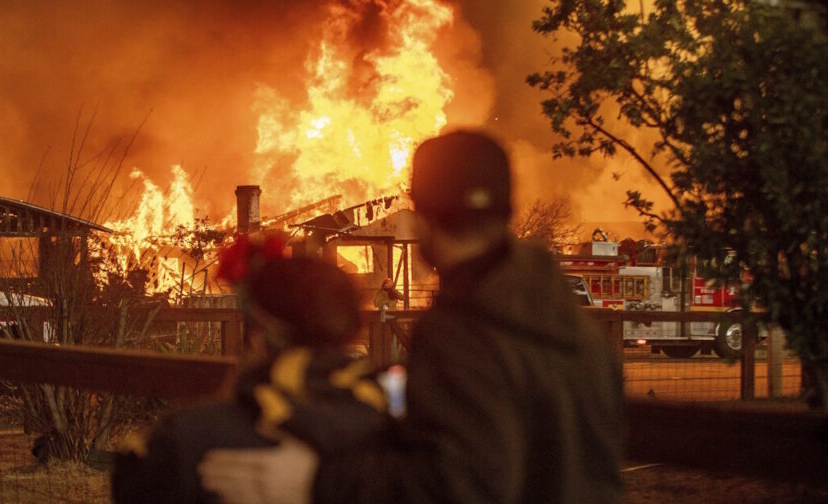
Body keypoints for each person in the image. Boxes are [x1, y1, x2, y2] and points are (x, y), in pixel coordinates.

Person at [199, 130, 625, 503]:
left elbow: (460, 484)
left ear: (424, 215)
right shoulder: (571, 326)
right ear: (506, 211)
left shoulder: (463, 332)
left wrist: (318, 481)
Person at [112, 236, 390, 504]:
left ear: (259, 335)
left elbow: (133, 484)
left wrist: (229, 395)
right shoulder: (399, 437)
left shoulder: (188, 438)